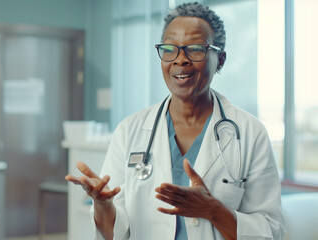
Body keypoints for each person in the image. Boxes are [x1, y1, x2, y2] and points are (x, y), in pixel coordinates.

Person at [65, 2, 286, 239]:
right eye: (170, 48)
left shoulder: (251, 133)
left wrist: (213, 210)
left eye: (195, 49)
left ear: (220, 60)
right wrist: (103, 205)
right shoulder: (130, 130)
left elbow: (272, 230)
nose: (180, 60)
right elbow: (114, 232)